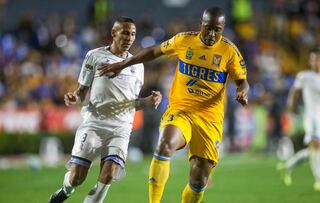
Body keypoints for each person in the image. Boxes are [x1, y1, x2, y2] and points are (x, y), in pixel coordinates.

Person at [99, 7, 249, 203]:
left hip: (209, 119)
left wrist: (242, 90)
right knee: (164, 145)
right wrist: (123, 64)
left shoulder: (229, 51)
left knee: (199, 180)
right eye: (208, 28)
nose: (212, 34)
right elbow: (154, 51)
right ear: (201, 25)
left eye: (217, 30)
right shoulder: (184, 40)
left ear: (223, 29)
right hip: (181, 111)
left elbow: (242, 80)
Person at [48, 17, 162, 203]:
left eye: (133, 34)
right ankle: (65, 191)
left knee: (108, 175)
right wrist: (74, 97)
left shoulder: (137, 66)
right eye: (125, 32)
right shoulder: (95, 56)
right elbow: (82, 91)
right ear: (113, 33)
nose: (129, 38)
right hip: (94, 123)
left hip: (121, 128)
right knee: (77, 177)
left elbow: (133, 103)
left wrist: (148, 101)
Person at [277, 48, 320, 193]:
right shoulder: (304, 76)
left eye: (319, 59)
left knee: (314, 151)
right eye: (313, 59)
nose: (316, 62)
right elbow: (295, 91)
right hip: (312, 118)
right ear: (310, 61)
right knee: (316, 146)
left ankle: (286, 167)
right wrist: (291, 105)